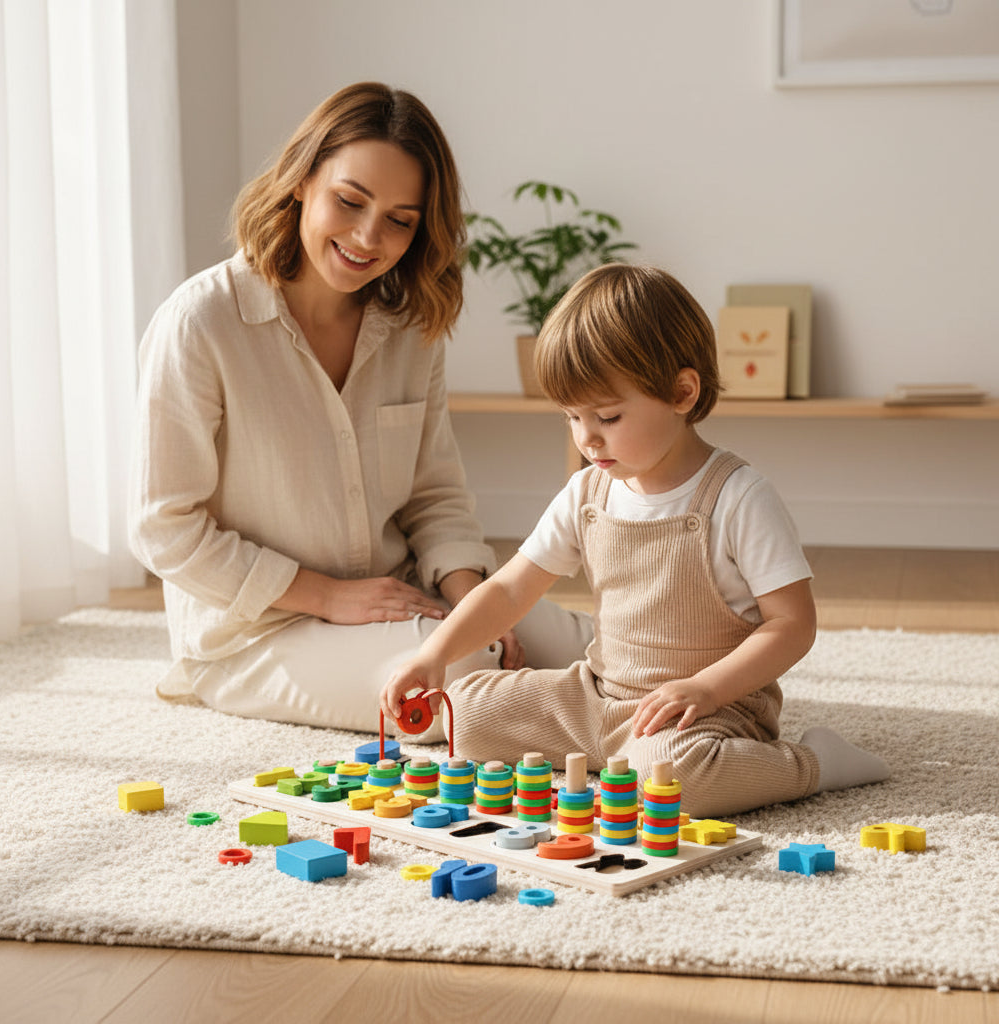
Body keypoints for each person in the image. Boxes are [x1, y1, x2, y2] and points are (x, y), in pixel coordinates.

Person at [129, 82, 591, 735]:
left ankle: (687, 718)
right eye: (350, 201)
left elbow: (434, 498)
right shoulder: (201, 322)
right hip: (257, 635)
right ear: (300, 181)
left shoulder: (409, 327)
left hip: (398, 590)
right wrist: (327, 595)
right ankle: (634, 740)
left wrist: (475, 603)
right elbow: (163, 528)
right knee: (463, 681)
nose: (368, 237)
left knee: (598, 647)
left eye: (400, 219)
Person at [381, 263, 890, 816]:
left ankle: (815, 763)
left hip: (708, 712)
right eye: (572, 417)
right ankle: (614, 752)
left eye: (607, 415)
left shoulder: (739, 497)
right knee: (466, 712)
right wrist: (434, 654)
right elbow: (508, 591)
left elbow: (793, 625)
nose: (586, 436)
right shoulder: (588, 492)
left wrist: (707, 690)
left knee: (673, 781)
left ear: (681, 392)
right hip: (598, 697)